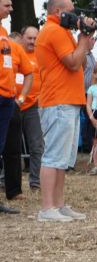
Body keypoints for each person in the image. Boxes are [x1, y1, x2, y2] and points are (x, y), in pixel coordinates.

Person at [34, 0, 92, 222]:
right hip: (57, 100)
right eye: (71, 10)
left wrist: (83, 43)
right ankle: (47, 208)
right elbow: (72, 63)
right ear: (59, 11)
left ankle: (58, 205)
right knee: (53, 156)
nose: (75, 15)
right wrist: (82, 42)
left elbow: (82, 61)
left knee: (63, 158)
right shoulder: (54, 31)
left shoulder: (63, 32)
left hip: (67, 99)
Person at [0, 11, 35, 211]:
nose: (12, 8)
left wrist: (20, 99)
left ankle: (13, 190)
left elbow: (28, 73)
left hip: (9, 101)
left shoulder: (9, 41)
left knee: (10, 147)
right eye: (7, 4)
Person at [15, 26, 44, 192]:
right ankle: (6, 181)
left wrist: (42, 95)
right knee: (11, 146)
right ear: (22, 37)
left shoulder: (41, 55)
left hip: (34, 106)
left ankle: (35, 182)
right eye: (29, 38)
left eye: (35, 38)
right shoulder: (14, 52)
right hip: (13, 105)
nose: (33, 41)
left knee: (36, 145)